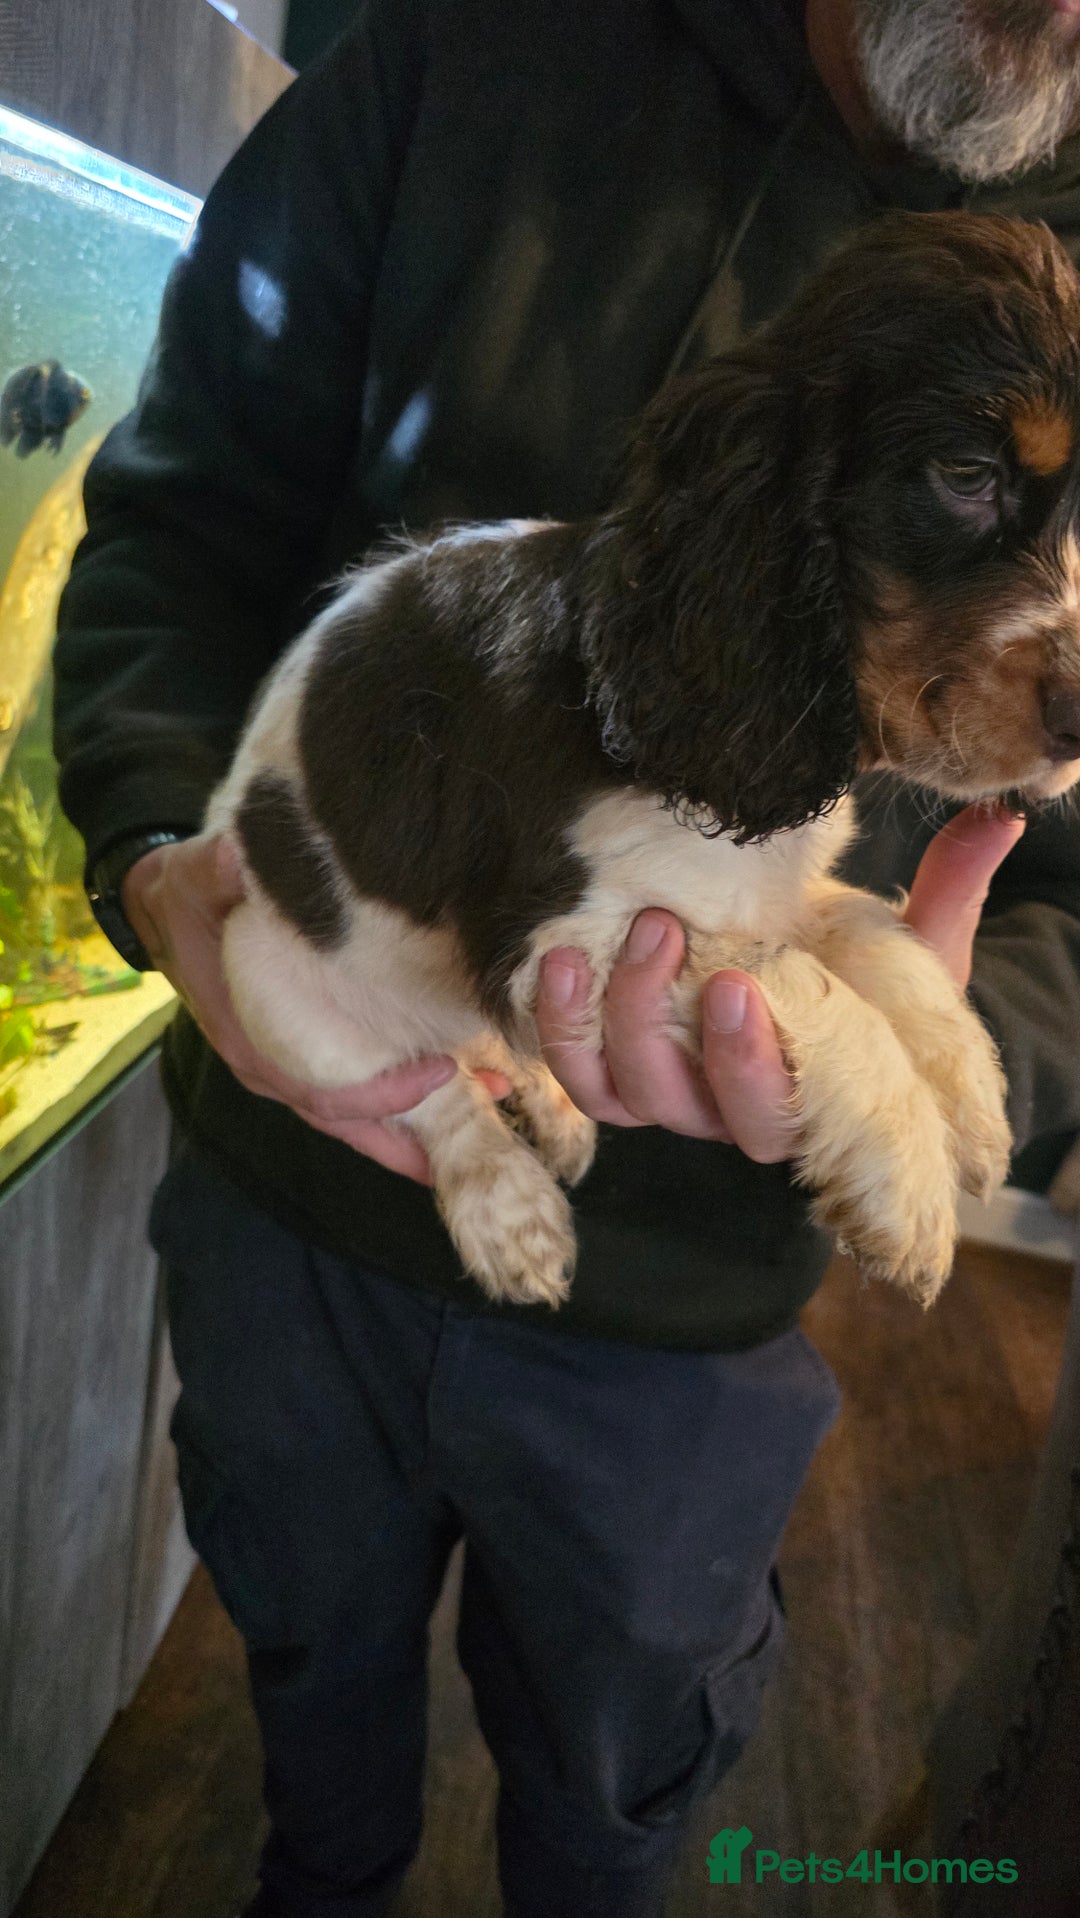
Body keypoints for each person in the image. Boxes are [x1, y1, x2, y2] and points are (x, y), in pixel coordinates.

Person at [52, 2, 1080, 1914]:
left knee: (616, 1806)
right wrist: (155, 865)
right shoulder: (465, 46)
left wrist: (973, 1043)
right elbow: (174, 530)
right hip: (300, 1163)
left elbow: (1058, 897)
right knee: (309, 1721)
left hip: (691, 1314)